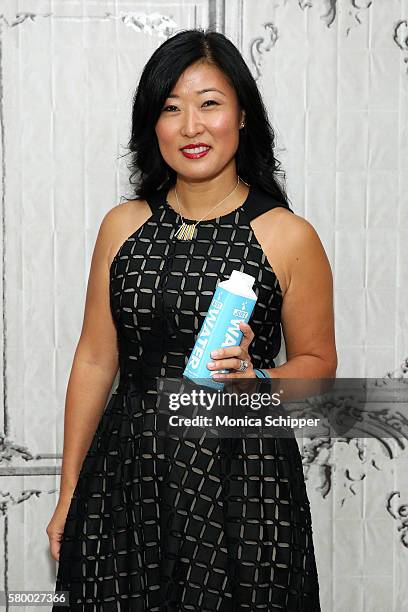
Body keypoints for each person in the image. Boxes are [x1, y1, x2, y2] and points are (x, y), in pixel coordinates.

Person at [47, 27, 336, 611]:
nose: (191, 126)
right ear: (152, 125)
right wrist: (69, 492)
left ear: (243, 115)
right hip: (128, 476)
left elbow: (320, 370)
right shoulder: (122, 226)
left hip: (242, 482)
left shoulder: (287, 235)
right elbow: (95, 359)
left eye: (209, 104)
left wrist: (259, 382)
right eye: (171, 108)